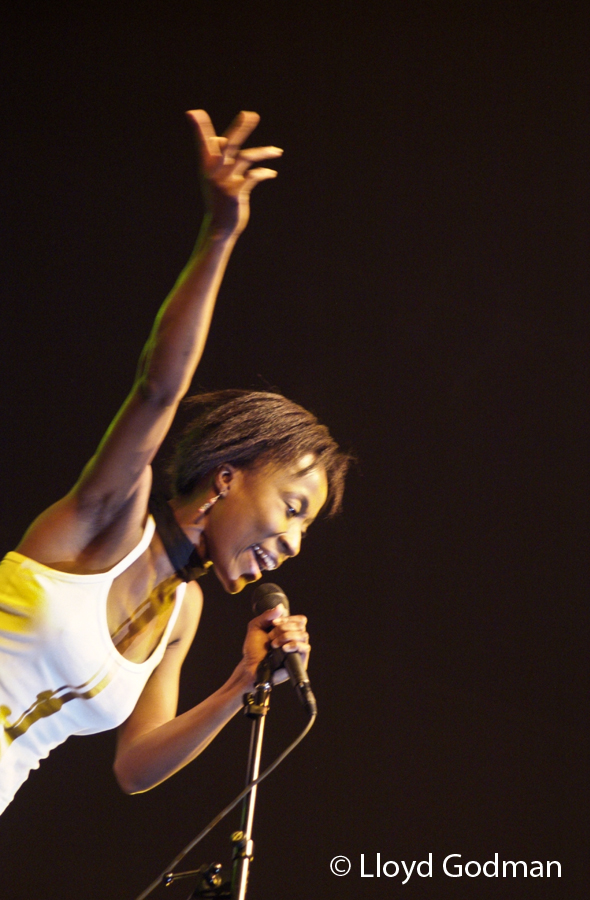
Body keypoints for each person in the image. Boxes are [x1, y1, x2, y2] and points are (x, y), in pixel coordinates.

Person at [0, 110, 350, 813]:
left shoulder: (182, 612)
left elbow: (135, 765)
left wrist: (239, 686)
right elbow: (158, 388)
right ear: (228, 476)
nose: (293, 543)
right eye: (291, 507)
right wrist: (220, 232)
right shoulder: (109, 521)